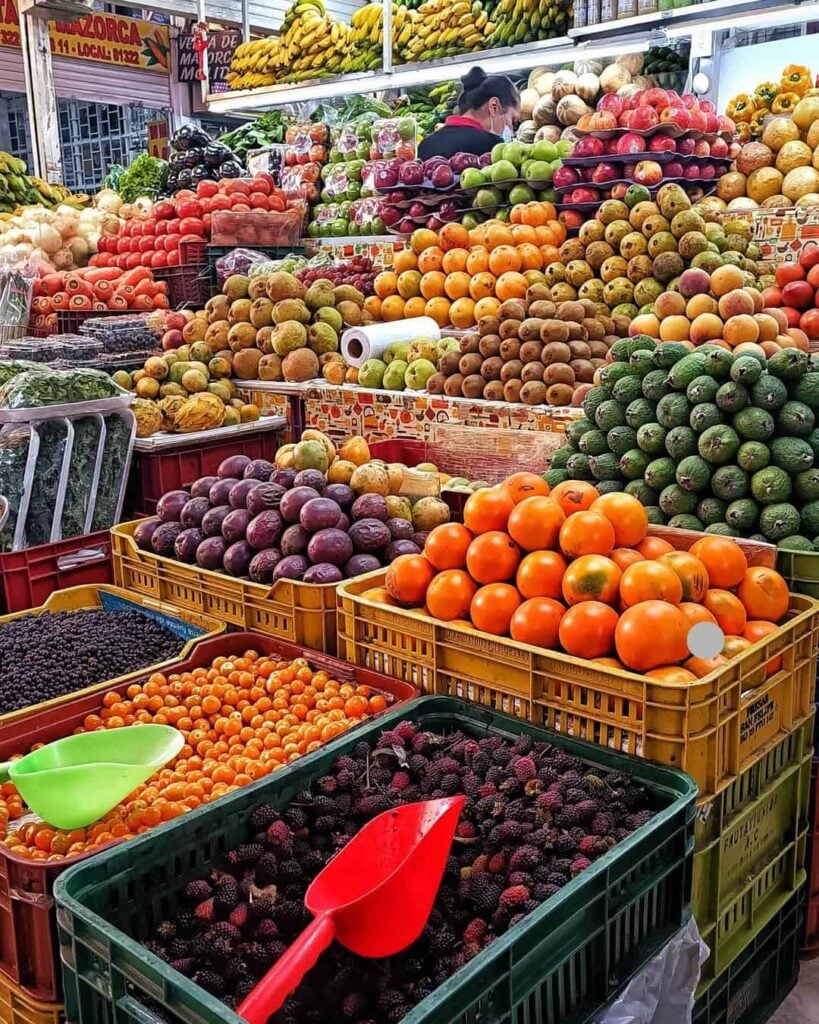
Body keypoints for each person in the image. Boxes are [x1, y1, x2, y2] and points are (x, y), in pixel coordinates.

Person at [418, 67, 520, 160]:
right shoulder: (492, 146)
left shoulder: (425, 145)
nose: (511, 133)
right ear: (494, 107)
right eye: (513, 120)